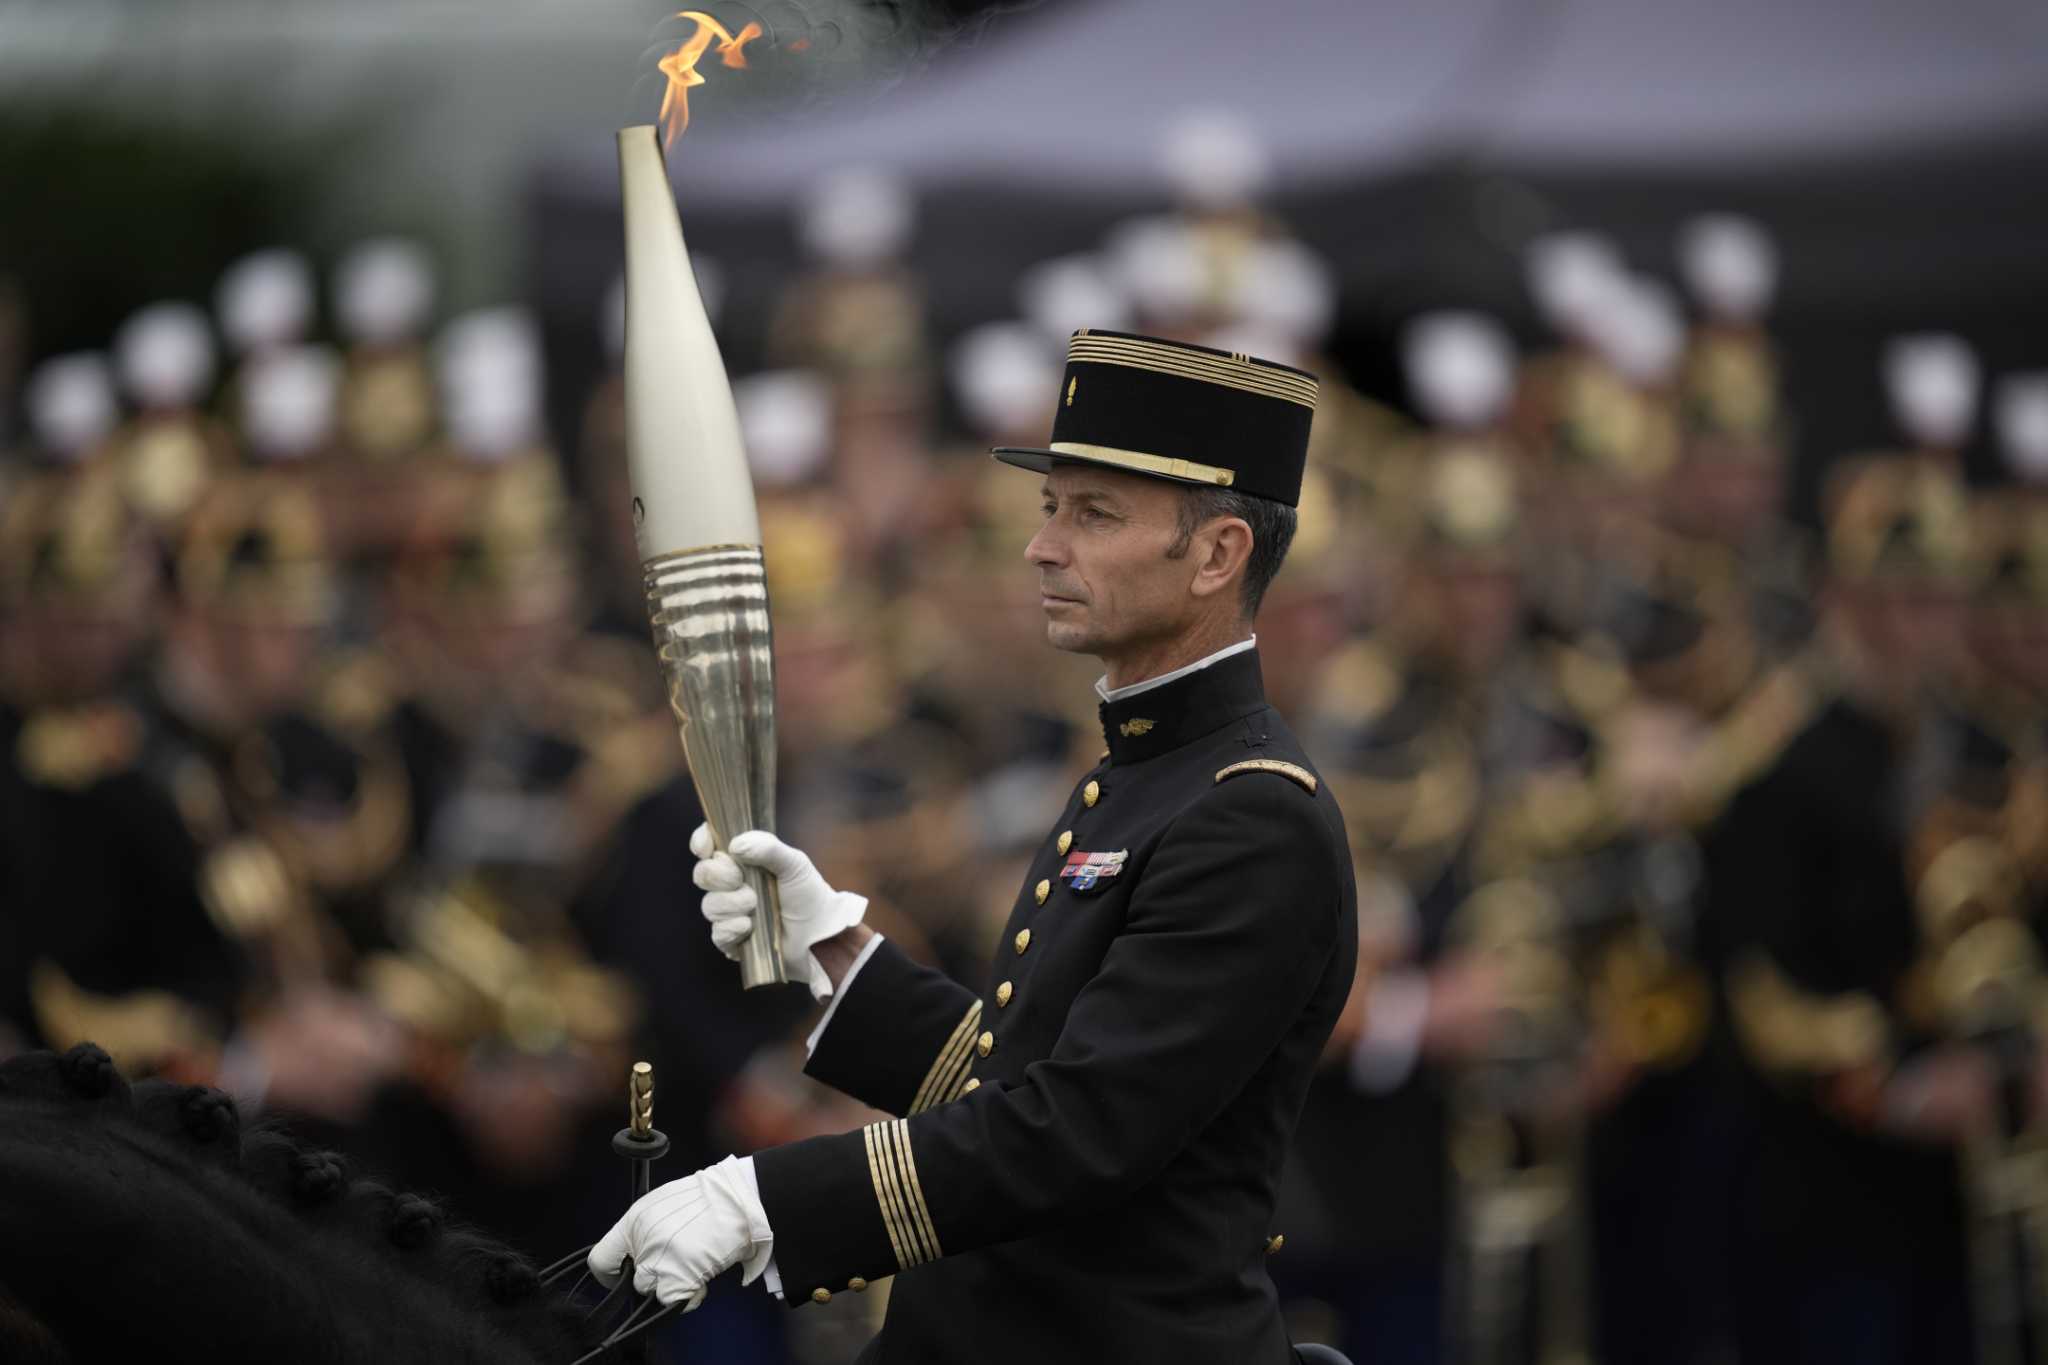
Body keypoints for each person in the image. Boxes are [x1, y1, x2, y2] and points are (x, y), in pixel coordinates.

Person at [590, 330, 1359, 1364]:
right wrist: (834, 950)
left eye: (1092, 515)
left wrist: (764, 1197)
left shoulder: (1253, 816)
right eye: (1051, 508)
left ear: (1218, 554)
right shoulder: (1137, 772)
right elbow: (1009, 1079)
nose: (1042, 545)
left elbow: (1074, 1135)